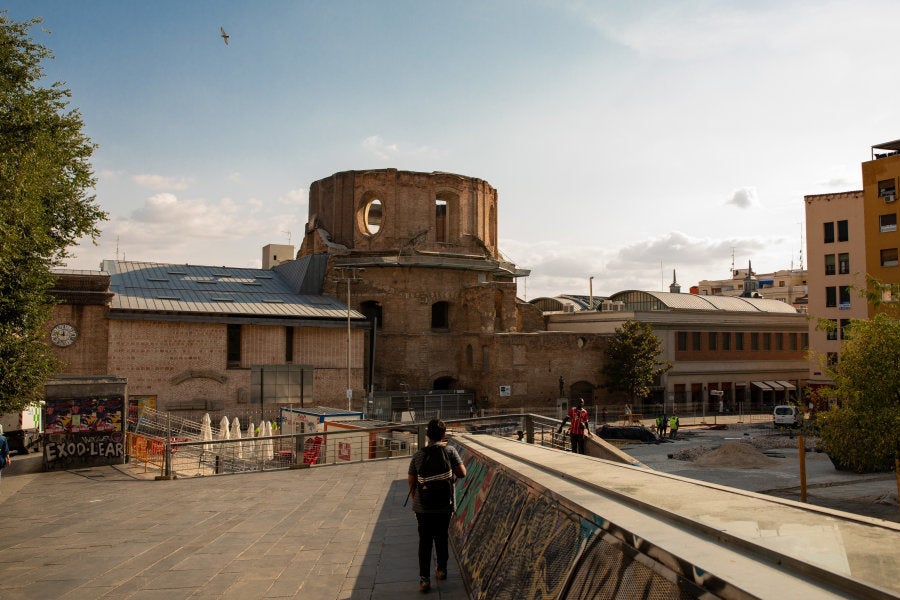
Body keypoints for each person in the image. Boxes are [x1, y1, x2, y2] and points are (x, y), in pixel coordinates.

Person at [408, 419, 466, 593]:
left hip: (423, 508)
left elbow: (411, 480)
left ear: (427, 435)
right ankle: (441, 570)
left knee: (424, 542)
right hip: (444, 505)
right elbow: (462, 473)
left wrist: (415, 499)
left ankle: (424, 579)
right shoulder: (450, 451)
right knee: (441, 538)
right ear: (444, 434)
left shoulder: (418, 455)